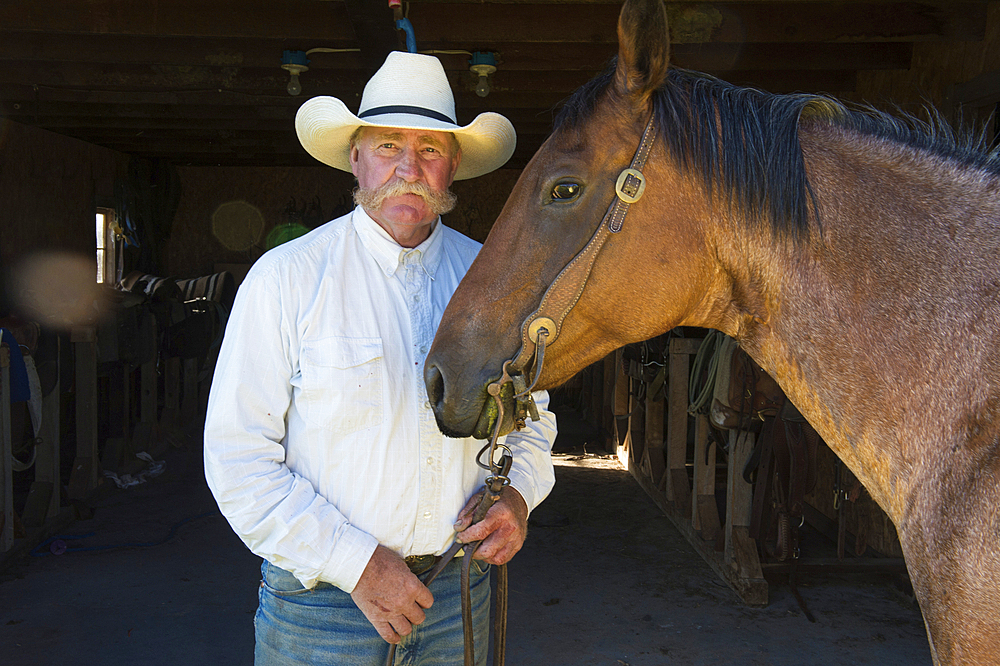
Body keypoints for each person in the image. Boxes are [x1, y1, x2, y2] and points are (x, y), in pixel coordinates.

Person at [203, 51, 557, 666]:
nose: (409, 169)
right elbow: (238, 461)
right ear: (355, 159)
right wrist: (358, 565)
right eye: (388, 146)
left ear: (453, 167)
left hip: (458, 591)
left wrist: (518, 497)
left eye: (430, 151)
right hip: (323, 606)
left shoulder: (493, 282)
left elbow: (533, 419)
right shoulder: (287, 279)